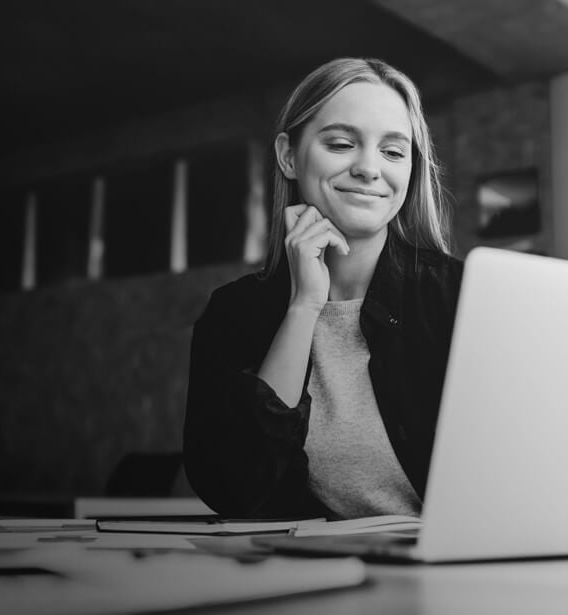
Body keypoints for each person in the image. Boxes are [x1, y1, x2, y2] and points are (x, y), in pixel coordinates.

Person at [184, 57, 463, 519]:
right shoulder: (235, 312)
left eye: (393, 152)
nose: (370, 169)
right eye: (340, 143)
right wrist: (303, 306)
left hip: (451, 578)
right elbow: (234, 488)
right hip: (305, 577)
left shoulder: (458, 297)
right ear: (289, 156)